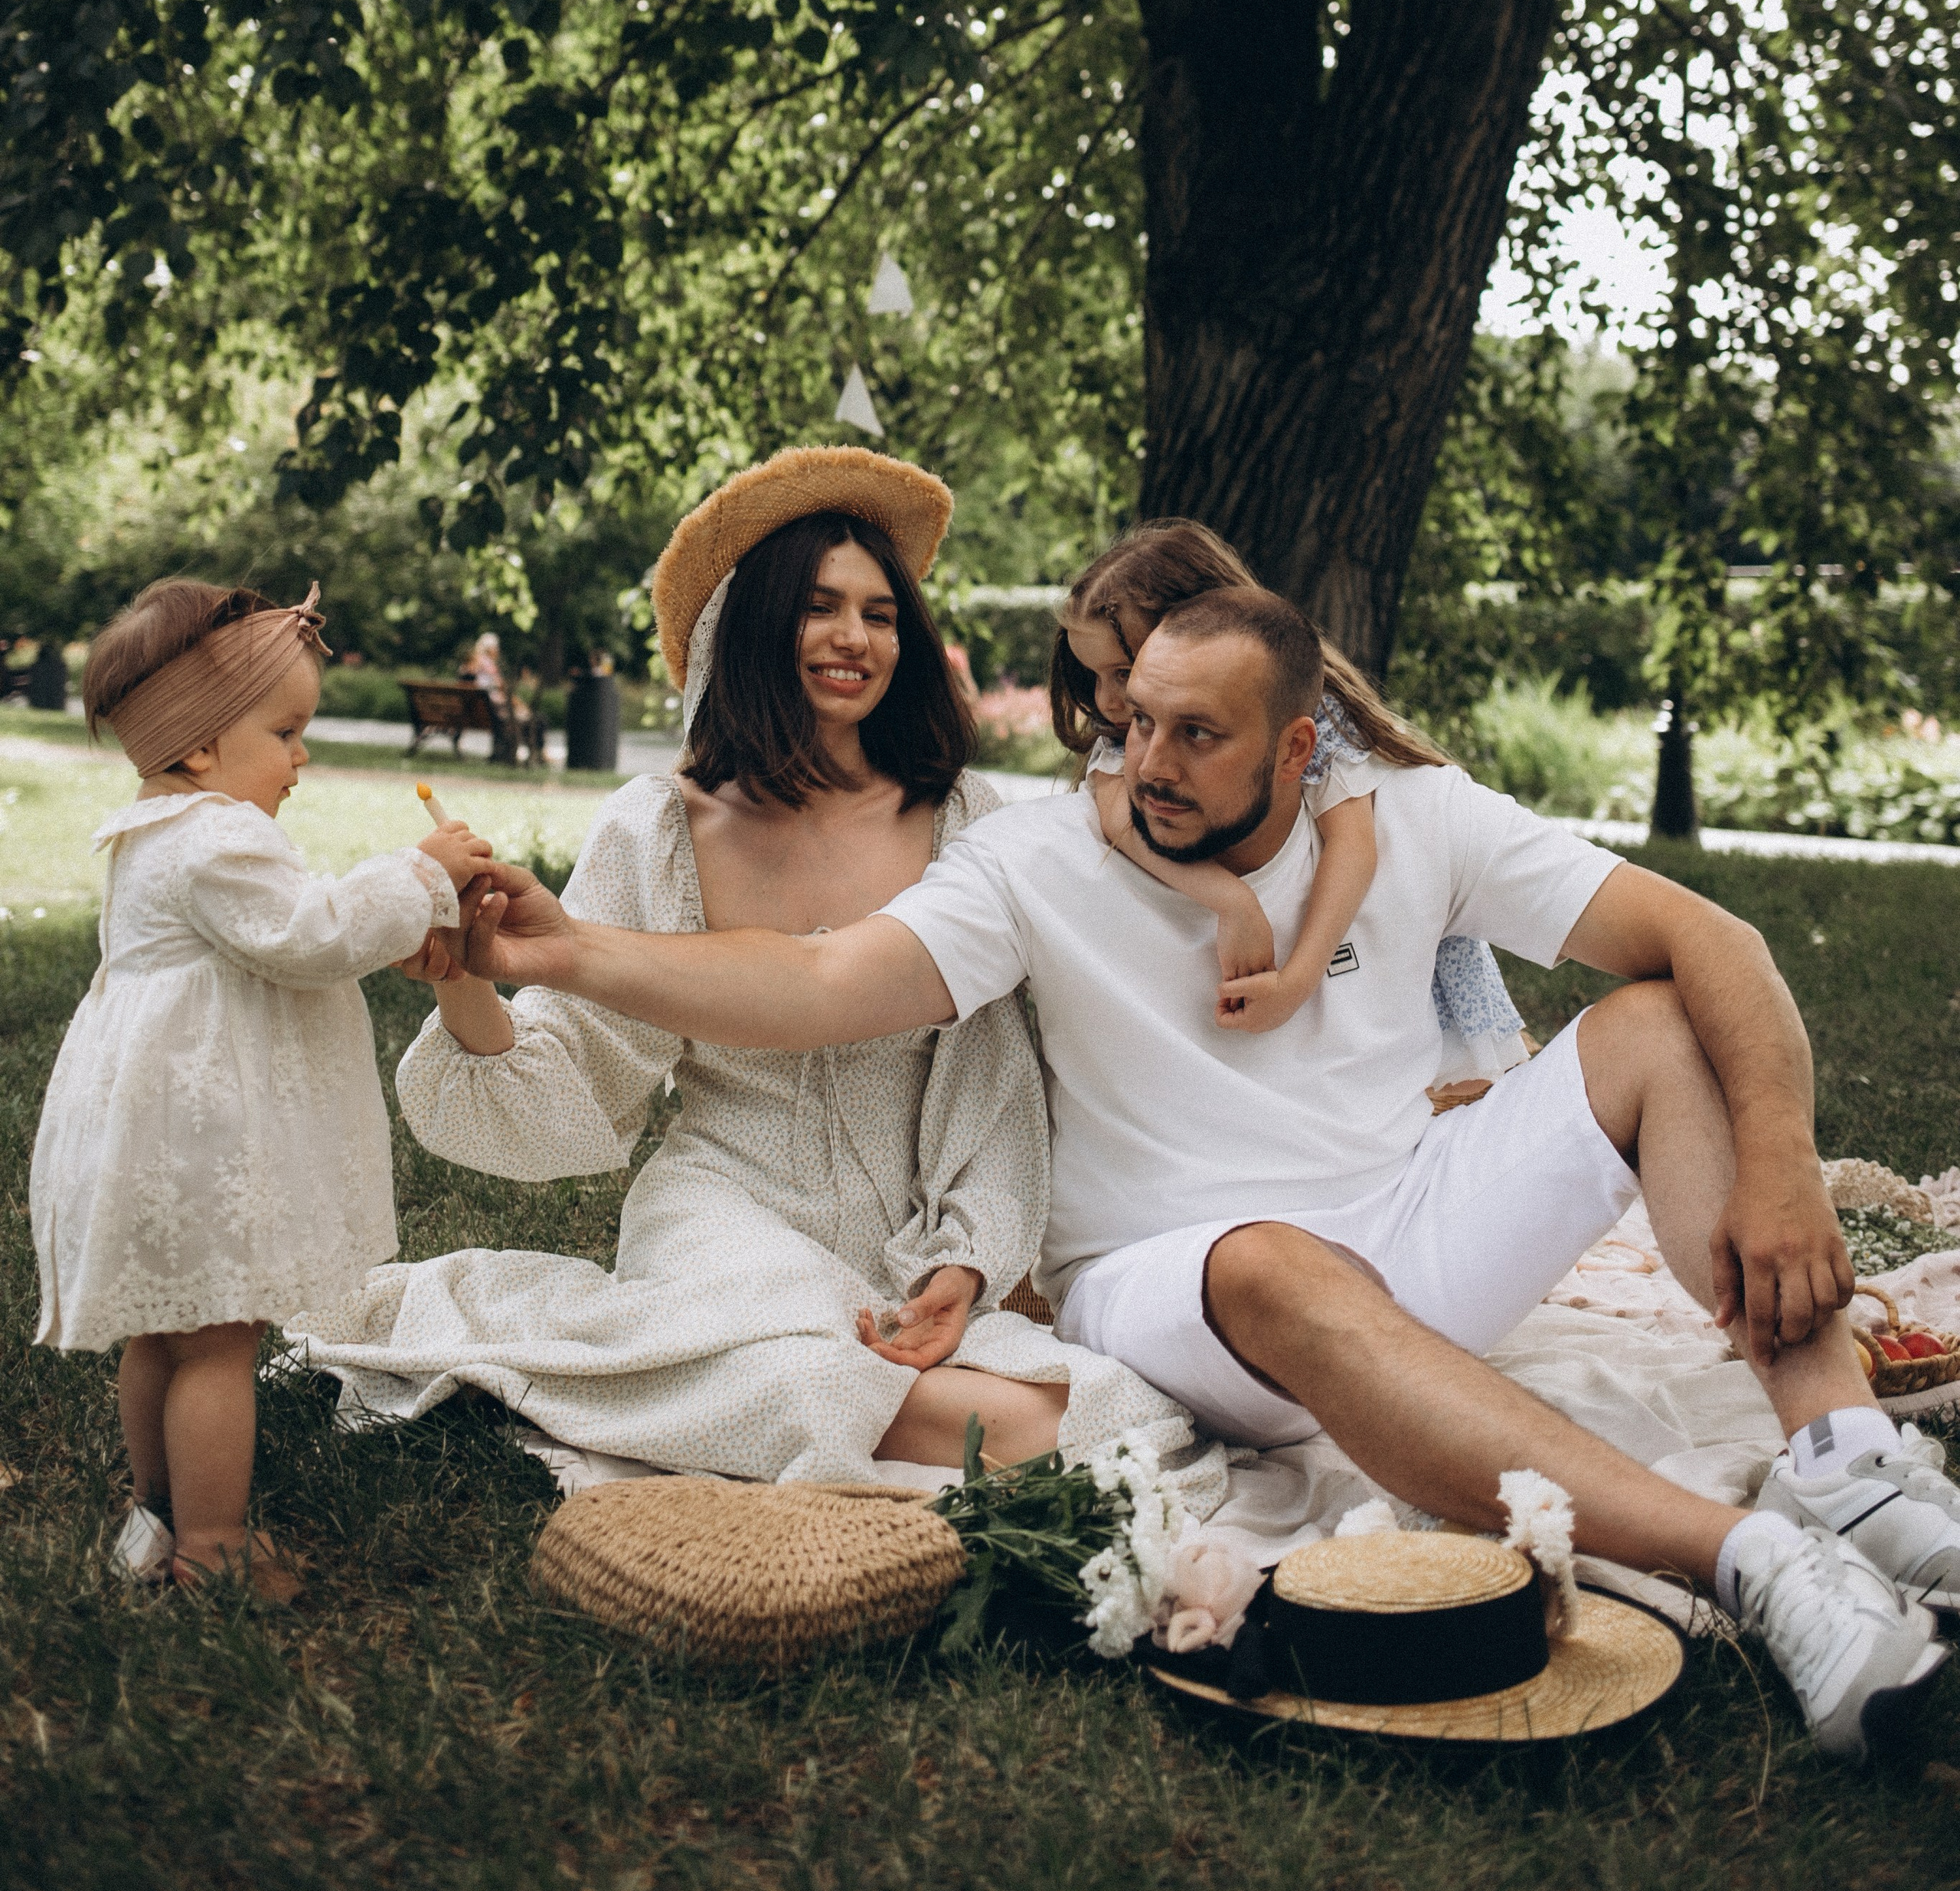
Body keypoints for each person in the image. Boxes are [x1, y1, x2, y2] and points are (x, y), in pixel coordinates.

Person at [446, 576, 1959, 1766]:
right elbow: (822, 980)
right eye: (1130, 723)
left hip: (1408, 1231)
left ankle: (1841, 1464)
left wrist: (1773, 1167)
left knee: (1650, 1021)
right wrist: (570, 950)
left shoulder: (1418, 818)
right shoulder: (1036, 861)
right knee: (1269, 1261)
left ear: (1299, 748)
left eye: (1195, 735)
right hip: (1175, 1283)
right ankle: (1760, 1566)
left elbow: (1715, 941)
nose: (1142, 762)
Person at [294, 449, 1186, 1484]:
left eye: (881, 613)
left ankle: (830, 1405)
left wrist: (965, 1258)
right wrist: (462, 971)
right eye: (819, 607)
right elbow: (572, 1070)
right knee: (808, 1382)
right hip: (724, 1214)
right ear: (756, 624)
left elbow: (994, 1076)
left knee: (1118, 1406)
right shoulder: (662, 827)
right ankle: (831, 1400)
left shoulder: (966, 820)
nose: (856, 637)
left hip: (911, 1235)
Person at [30, 577, 483, 1597]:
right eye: (285, 732)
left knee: (166, 1327)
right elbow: (312, 935)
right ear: (198, 747)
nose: (302, 758)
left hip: (148, 1132)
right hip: (198, 1137)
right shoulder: (218, 838)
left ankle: (155, 1509)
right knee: (221, 1344)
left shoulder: (154, 830)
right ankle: (216, 1547)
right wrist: (421, 875)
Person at [1054, 521, 1524, 1075]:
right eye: (1094, 677)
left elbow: (1353, 844)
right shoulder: (1125, 746)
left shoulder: (1308, 724)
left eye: (1124, 672)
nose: (1108, 699)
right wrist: (1231, 899)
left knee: (1445, 1078)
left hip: (1361, 965)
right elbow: (1118, 820)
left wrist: (1298, 979)